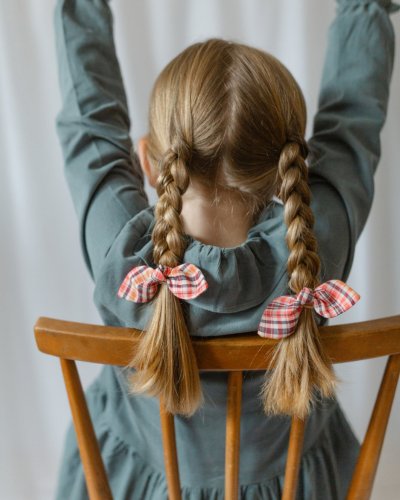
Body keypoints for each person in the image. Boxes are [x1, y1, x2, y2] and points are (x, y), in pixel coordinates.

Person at [53, 0, 398, 498]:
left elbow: (90, 128)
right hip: (296, 487)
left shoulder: (123, 256)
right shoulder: (316, 247)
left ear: (149, 163)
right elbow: (352, 128)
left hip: (135, 485)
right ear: (287, 174)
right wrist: (364, 10)